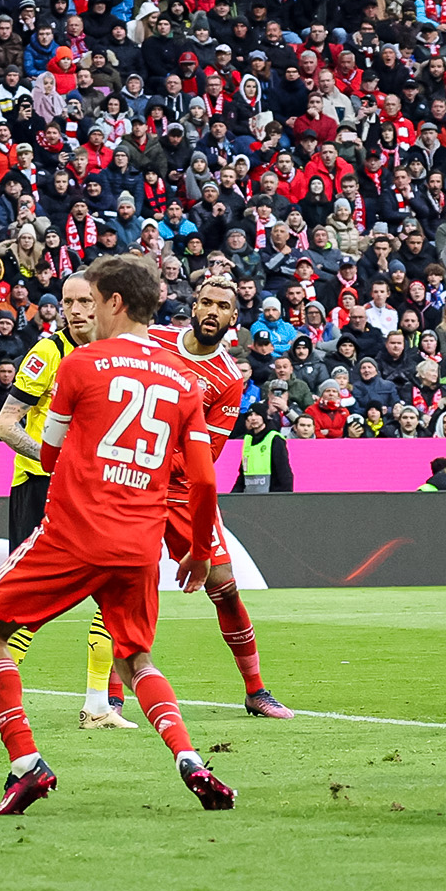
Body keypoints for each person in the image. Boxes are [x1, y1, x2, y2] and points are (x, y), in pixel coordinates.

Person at [0, 255, 235, 815]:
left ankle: (25, 765)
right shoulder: (186, 382)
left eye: (90, 298)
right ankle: (190, 759)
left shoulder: (81, 364)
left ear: (114, 301)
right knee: (136, 659)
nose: (80, 310)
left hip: (75, 533)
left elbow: (52, 453)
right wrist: (199, 550)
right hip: (141, 542)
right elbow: (206, 476)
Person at [0, 274, 132, 731]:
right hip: (42, 487)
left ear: (104, 303)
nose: (77, 310)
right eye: (69, 302)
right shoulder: (48, 352)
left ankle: (97, 705)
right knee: (36, 599)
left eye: (86, 301)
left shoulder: (114, 352)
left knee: (114, 589)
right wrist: (55, 458)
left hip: (94, 487)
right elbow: (6, 425)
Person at [147, 276, 292, 718]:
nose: (212, 311)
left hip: (178, 492)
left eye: (222, 306)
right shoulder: (152, 341)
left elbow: (205, 454)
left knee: (226, 589)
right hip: (127, 480)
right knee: (126, 585)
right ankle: (107, 698)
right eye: (205, 302)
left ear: (234, 317)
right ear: (193, 306)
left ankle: (255, 690)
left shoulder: (228, 378)